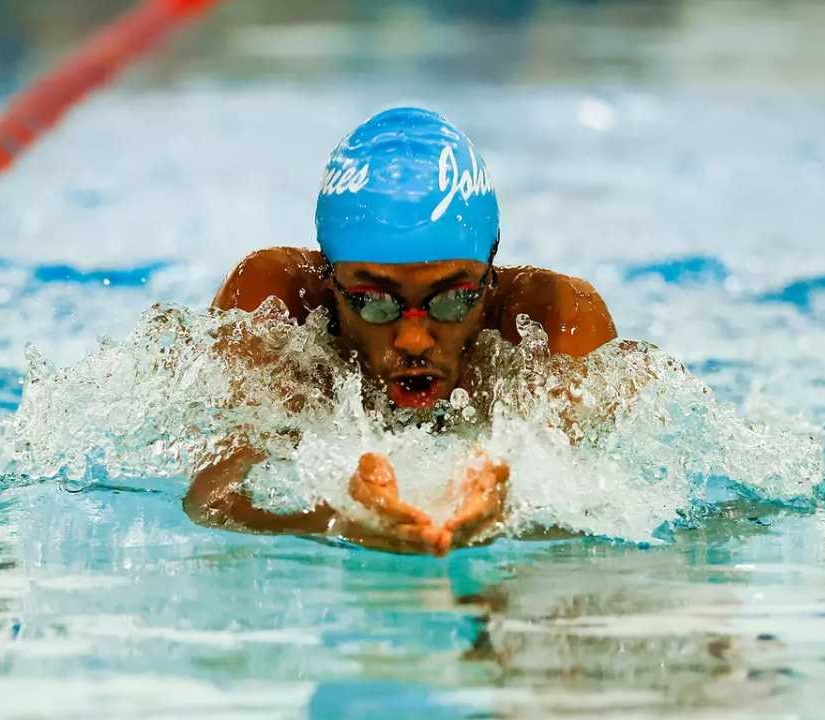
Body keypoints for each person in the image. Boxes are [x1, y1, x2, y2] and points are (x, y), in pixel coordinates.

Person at [184, 107, 618, 555]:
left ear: (490, 277)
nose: (413, 340)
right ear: (330, 281)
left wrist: (511, 512)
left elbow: (619, 504)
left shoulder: (553, 321)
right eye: (374, 302)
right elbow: (211, 498)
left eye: (452, 299)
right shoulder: (278, 305)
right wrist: (339, 521)